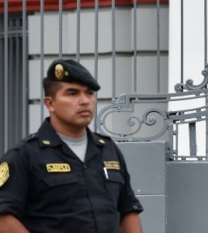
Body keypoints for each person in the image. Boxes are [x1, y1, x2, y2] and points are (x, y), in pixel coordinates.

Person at [0, 59, 144, 233]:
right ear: (50, 103)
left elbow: (128, 209)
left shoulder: (108, 149)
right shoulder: (25, 154)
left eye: (90, 93)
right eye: (72, 93)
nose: (85, 101)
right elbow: (5, 219)